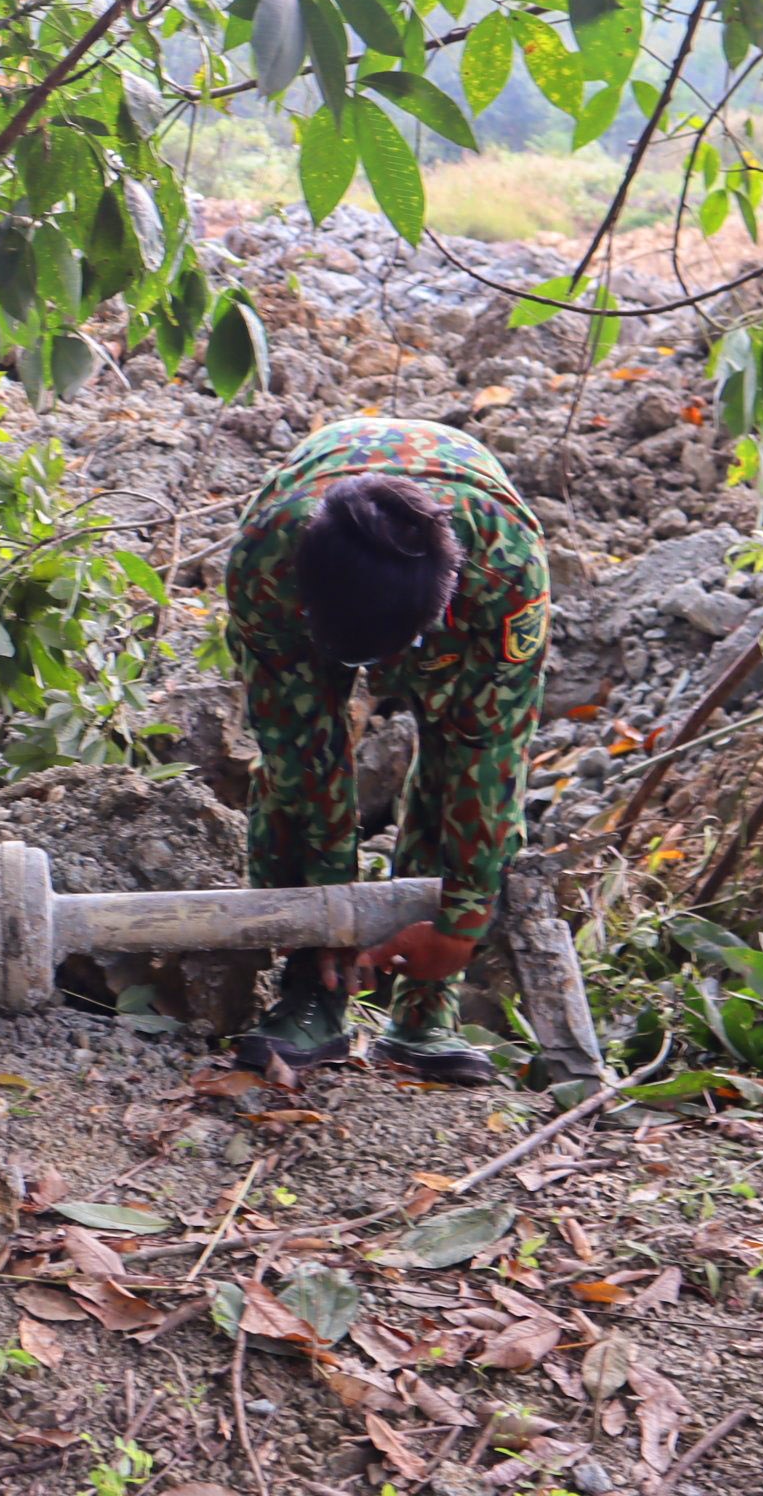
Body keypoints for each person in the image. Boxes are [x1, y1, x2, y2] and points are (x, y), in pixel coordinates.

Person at [224, 417, 550, 1085]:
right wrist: (322, 916)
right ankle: (309, 986)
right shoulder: (265, 562)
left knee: (452, 759)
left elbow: (487, 758)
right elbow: (298, 757)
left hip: (462, 575)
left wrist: (460, 920)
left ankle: (424, 1008)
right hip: (310, 580)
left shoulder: (504, 570)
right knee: (297, 774)